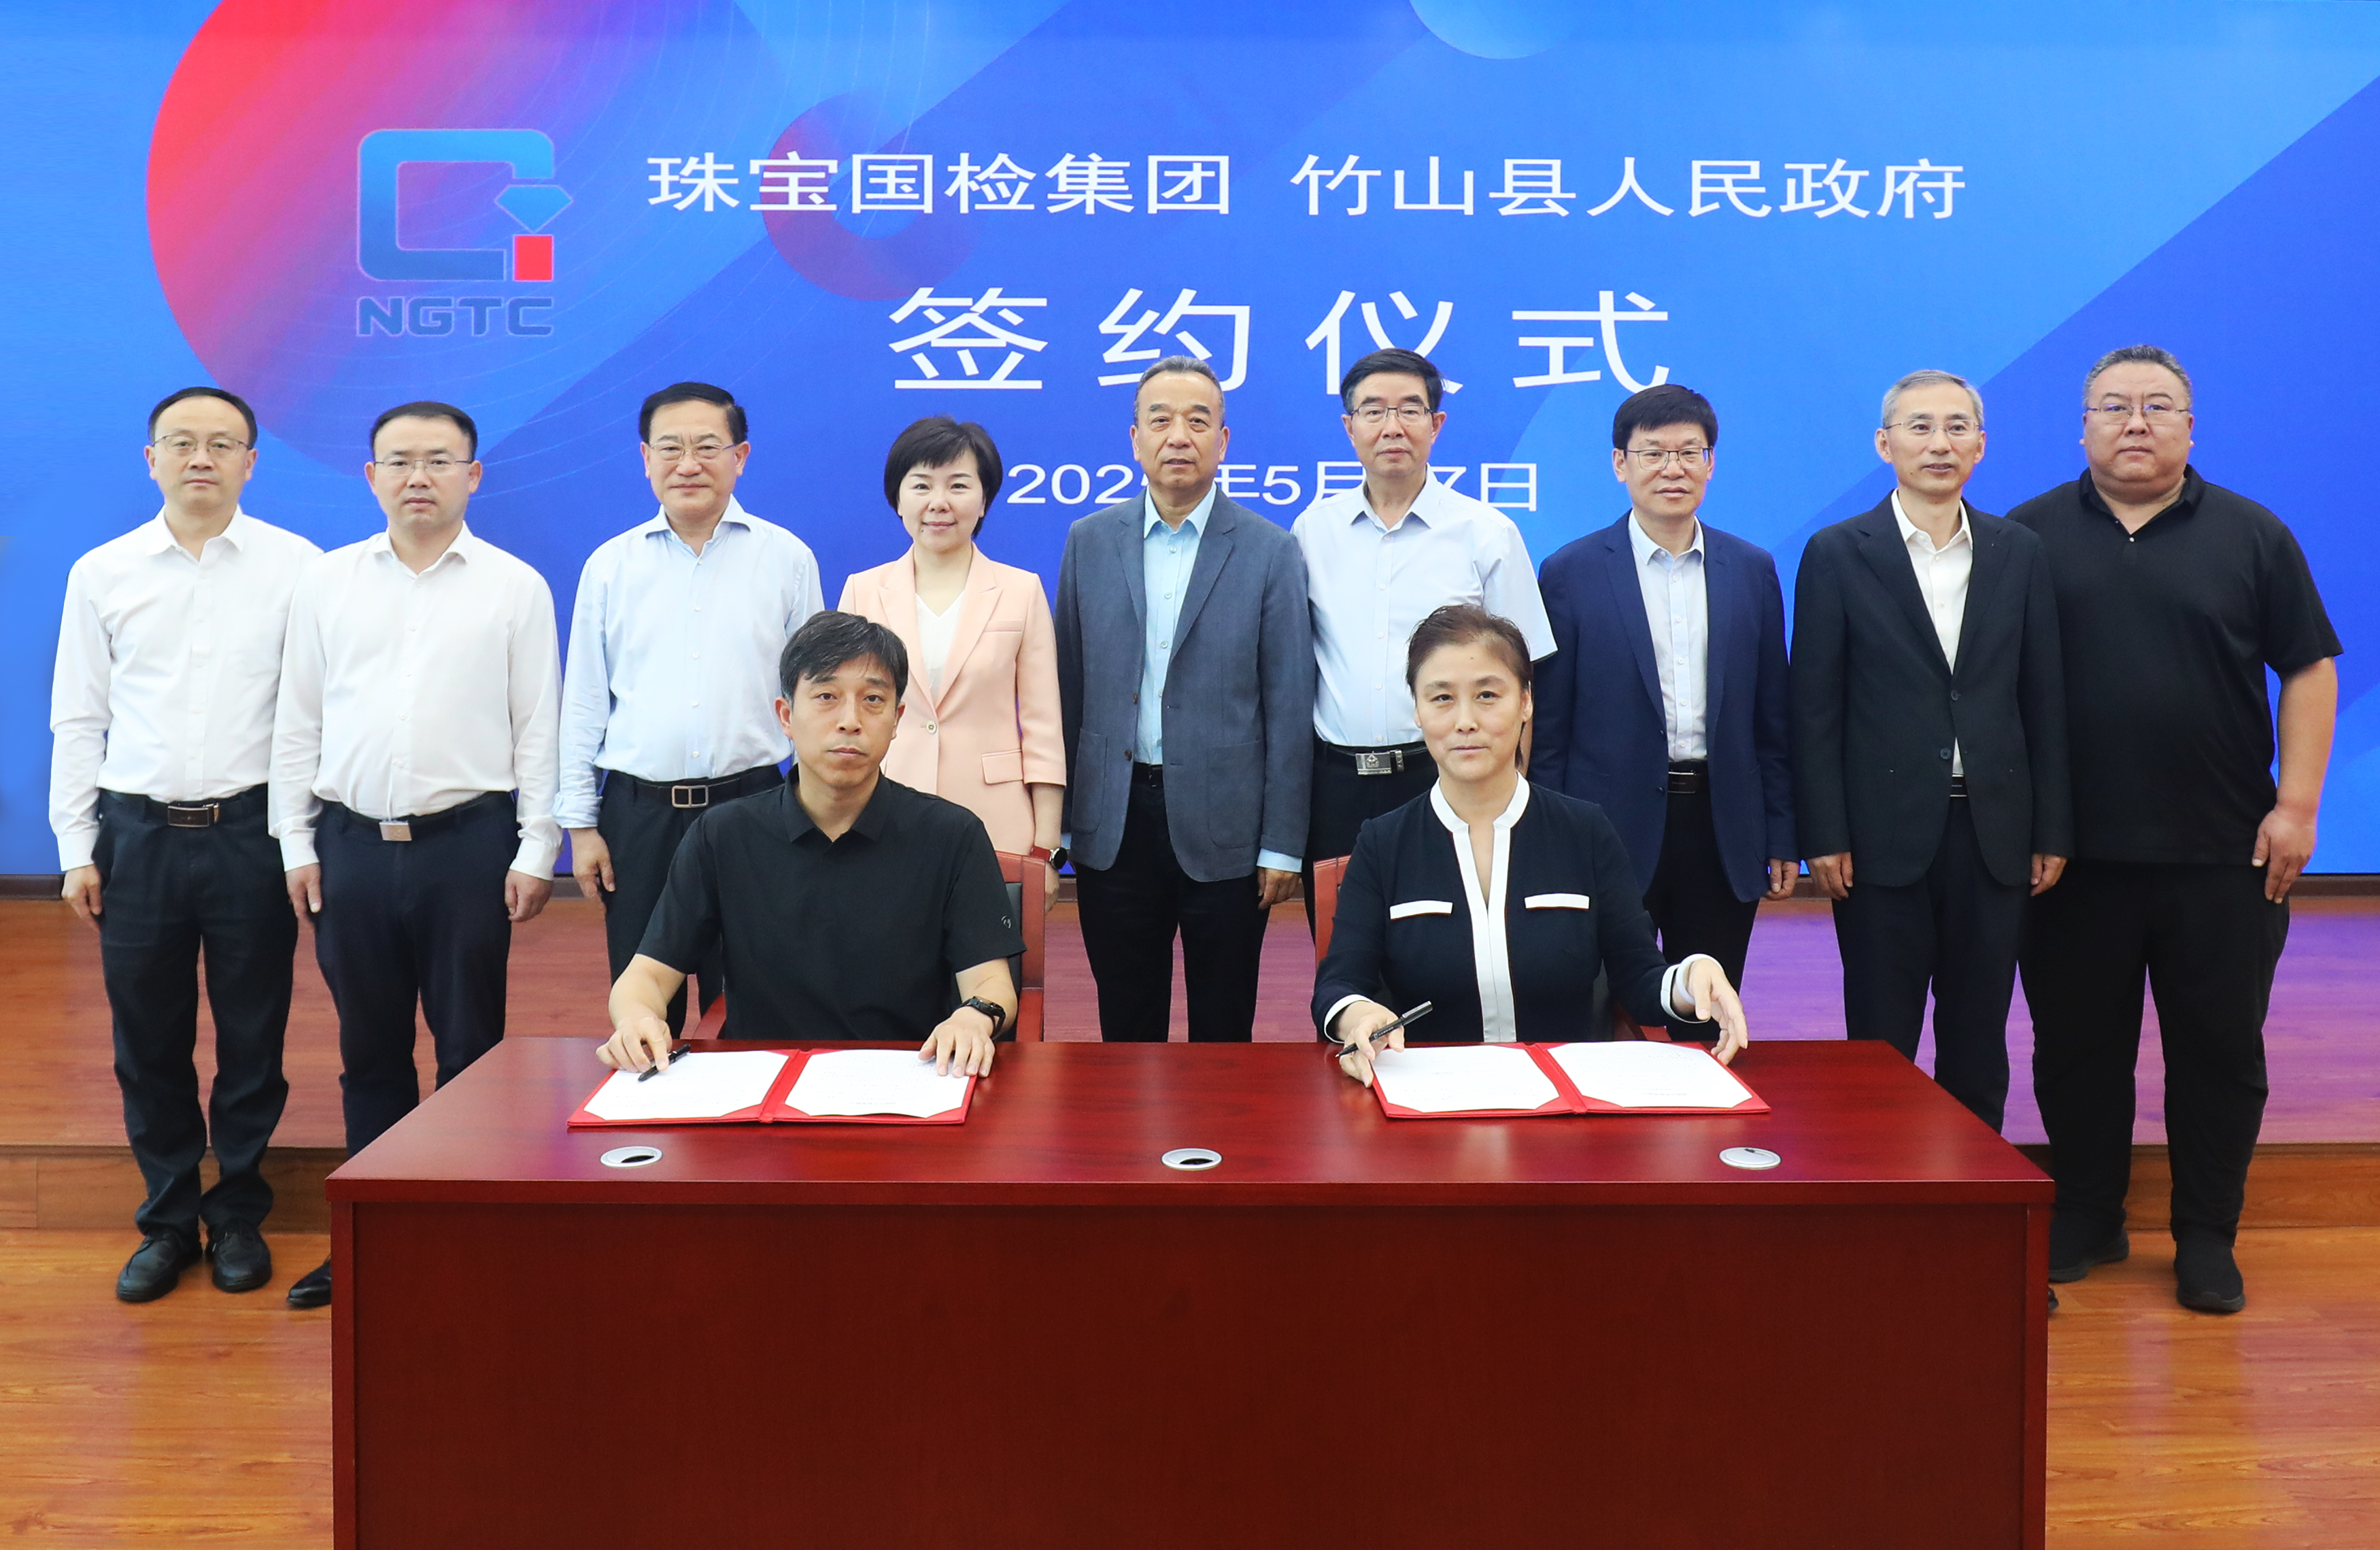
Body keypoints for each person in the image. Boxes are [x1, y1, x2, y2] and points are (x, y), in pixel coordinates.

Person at [2011, 345, 2339, 1315]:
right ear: (2082, 425)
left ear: (2191, 427)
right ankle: (2087, 1213)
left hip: (2224, 854)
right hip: (2070, 855)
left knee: (2219, 1052)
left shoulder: (2251, 533)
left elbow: (2308, 668)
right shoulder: (2024, 536)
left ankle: (2205, 1234)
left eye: (2158, 406)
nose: (2136, 422)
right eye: (2113, 406)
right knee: (2076, 1050)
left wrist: (2297, 806)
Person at [271, 400, 561, 1309]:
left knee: (471, 1050)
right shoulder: (326, 583)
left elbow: (538, 727)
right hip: (350, 847)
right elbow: (296, 721)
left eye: (439, 460)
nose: (418, 477)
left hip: (468, 846)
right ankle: (374, 1243)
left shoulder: (514, 586)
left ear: (473, 475)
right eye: (399, 461)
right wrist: (294, 840)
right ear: (371, 477)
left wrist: (538, 844)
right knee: (370, 1051)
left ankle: (466, 1237)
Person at [50, 386, 320, 1303]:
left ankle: (238, 1213)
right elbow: (79, 717)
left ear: (251, 461)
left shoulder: (297, 568)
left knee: (253, 1034)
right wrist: (76, 845)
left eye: (221, 444)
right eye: (181, 442)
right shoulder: (103, 572)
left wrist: (297, 838)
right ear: (152, 458)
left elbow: (309, 717)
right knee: (148, 1039)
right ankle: (167, 1221)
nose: (200, 458)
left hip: (250, 832)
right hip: (137, 837)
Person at [1790, 370, 2071, 1132]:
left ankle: (1972, 1184)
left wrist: (2050, 828)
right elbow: (1813, 707)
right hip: (1879, 836)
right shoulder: (1837, 552)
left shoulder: (2018, 550)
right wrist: (1823, 833)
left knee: (1978, 1035)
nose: (1938, 443)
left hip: (1993, 833)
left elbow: (2042, 698)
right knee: (1879, 1037)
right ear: (1884, 444)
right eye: (1919, 427)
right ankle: (1880, 1186)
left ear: (1980, 445)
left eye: (1956, 427)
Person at [1314, 606, 1747, 1082]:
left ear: (1525, 702)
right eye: (1441, 698)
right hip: (1432, 1098)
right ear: (1417, 711)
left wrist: (1691, 977)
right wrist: (1358, 1015)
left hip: (1568, 1100)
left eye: (1487, 695)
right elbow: (1339, 984)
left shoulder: (1585, 831)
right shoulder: (1383, 843)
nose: (1465, 721)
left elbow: (1640, 978)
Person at [598, 611, 1021, 1077]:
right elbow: (647, 975)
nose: (850, 721)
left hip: (909, 1080)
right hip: (763, 1085)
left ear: (897, 719)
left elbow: (991, 982)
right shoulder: (722, 835)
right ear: (786, 715)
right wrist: (637, 1019)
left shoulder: (952, 835)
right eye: (826, 697)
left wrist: (972, 1018)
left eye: (873, 700)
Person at [1054, 356, 1314, 1041]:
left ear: (1222, 441)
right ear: (1134, 438)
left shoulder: (1269, 550)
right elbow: (1068, 690)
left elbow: (1289, 708)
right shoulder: (1088, 542)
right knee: (1125, 1027)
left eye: (1197, 421)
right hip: (1113, 826)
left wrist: (1282, 845)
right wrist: (1065, 824)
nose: (1178, 436)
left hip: (1228, 832)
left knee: (1224, 1031)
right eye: (1160, 419)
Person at [559, 382, 821, 1033]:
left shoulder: (787, 559)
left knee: (756, 998)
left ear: (741, 456)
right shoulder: (610, 566)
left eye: (708, 447)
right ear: (645, 458)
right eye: (670, 448)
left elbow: (814, 696)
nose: (688, 464)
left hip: (754, 806)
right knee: (647, 1004)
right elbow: (585, 702)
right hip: (639, 817)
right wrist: (582, 826)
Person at [1532, 385, 1795, 1031]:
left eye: (1688, 452)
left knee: (1703, 1013)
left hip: (1721, 826)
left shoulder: (1751, 569)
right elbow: (1551, 729)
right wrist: (1548, 835)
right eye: (1652, 453)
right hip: (1604, 826)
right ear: (1620, 463)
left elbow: (1772, 717)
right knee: (1592, 1014)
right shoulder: (1570, 572)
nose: (1672, 468)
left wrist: (1782, 831)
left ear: (1711, 462)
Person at [1292, 348, 1554, 929]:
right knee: (1343, 951)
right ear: (1349, 427)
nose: (1392, 427)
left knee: (1449, 949)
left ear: (1436, 424)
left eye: (1410, 410)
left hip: (1447, 777)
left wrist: (1512, 793)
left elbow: (1524, 679)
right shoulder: (1313, 531)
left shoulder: (1487, 533)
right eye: (1374, 411)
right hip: (1335, 787)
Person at [838, 415, 1064, 909]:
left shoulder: (1021, 591)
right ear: (898, 498)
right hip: (882, 817)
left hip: (996, 825)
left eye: (958, 485)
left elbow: (1044, 730)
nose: (938, 502)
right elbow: (842, 719)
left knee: (990, 956)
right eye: (921, 485)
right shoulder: (862, 591)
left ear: (983, 500)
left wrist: (1046, 850)